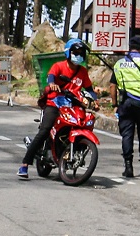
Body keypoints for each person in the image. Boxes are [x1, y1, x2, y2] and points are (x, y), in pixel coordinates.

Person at [19, 38, 99, 179]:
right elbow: (51, 77)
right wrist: (53, 85)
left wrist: (95, 100)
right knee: (44, 130)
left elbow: (89, 90)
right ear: (68, 53)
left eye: (81, 53)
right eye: (75, 52)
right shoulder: (59, 66)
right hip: (55, 103)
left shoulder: (83, 72)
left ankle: (70, 152)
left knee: (83, 124)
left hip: (73, 105)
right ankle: (25, 164)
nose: (78, 55)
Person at [109, 35, 140, 177]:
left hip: (126, 103)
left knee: (127, 135)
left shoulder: (119, 64)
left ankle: (128, 168)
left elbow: (112, 86)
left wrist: (115, 104)